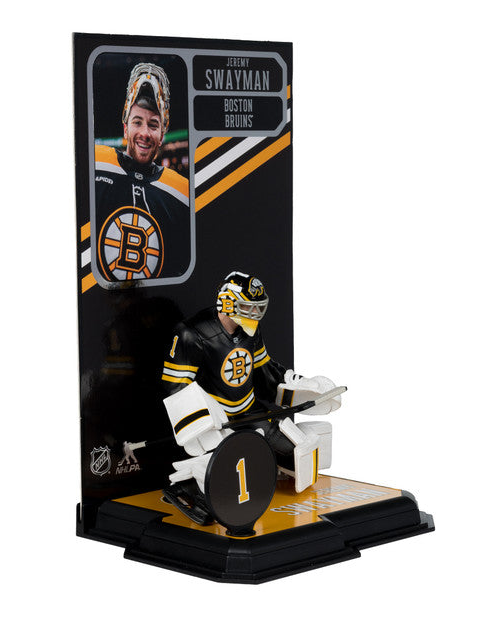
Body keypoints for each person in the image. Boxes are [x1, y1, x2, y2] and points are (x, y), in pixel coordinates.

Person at [160, 271, 342, 524]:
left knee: (297, 452)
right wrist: (203, 428)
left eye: (258, 307)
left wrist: (299, 387)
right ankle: (190, 486)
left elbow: (264, 373)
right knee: (223, 464)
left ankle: (260, 469)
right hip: (218, 419)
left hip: (248, 411)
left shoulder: (250, 331)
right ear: (227, 302)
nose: (254, 314)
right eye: (247, 307)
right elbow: (176, 389)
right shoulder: (191, 333)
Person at [94, 62, 190, 282]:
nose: (145, 133)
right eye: (137, 122)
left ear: (162, 134)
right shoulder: (97, 164)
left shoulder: (182, 192)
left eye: (153, 125)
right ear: (125, 128)